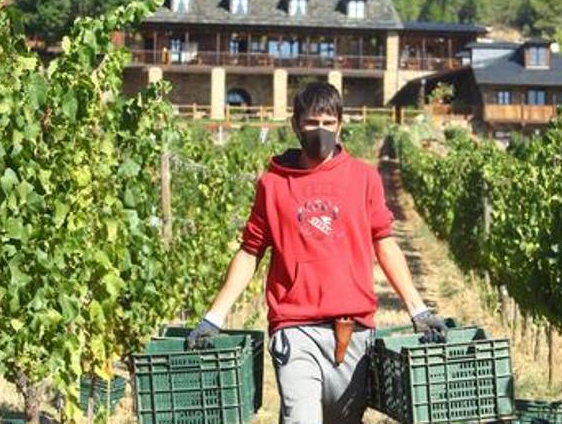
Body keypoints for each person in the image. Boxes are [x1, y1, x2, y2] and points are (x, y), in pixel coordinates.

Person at [186, 82, 447, 423]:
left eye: (328, 122)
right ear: (296, 125)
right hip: (294, 327)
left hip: (354, 329)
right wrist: (213, 318)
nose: (320, 130)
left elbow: (384, 242)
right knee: (301, 417)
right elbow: (250, 252)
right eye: (311, 122)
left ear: (339, 124)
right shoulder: (273, 184)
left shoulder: (363, 178)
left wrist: (419, 309)